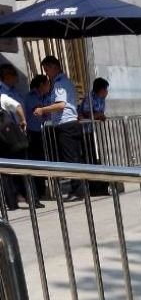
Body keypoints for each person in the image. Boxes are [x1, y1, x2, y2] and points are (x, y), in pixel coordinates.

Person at [34, 56, 83, 199]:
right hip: (70, 123)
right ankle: (79, 189)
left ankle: (78, 190)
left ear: (54, 67)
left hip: (65, 124)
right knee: (74, 157)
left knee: (71, 159)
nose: (46, 73)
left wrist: (43, 110)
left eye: (47, 70)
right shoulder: (65, 81)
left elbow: (61, 105)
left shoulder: (59, 83)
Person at [0, 62, 43, 209]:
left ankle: (18, 200)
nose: (16, 79)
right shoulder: (2, 93)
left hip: (15, 134)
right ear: (7, 76)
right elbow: (17, 106)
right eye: (14, 76)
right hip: (10, 136)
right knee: (19, 167)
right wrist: (23, 121)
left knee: (14, 168)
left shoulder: (11, 91)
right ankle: (26, 198)